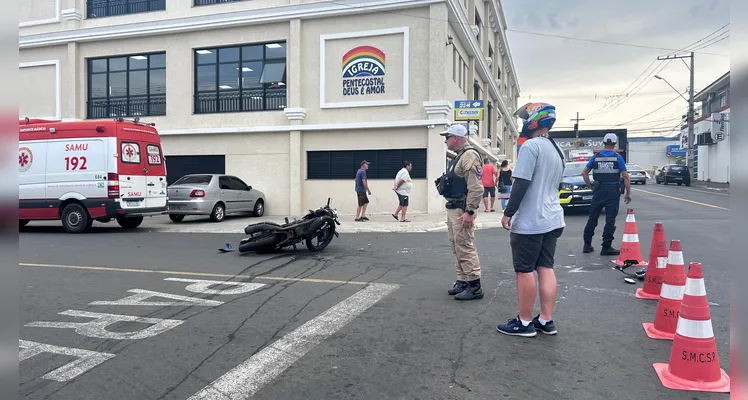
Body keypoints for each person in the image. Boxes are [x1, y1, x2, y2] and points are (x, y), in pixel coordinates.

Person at [497, 102, 566, 337]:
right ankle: (546, 320)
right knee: (545, 267)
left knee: (524, 270)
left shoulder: (530, 147)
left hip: (531, 220)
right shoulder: (556, 150)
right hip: (553, 217)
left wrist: (508, 213)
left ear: (534, 120)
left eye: (525, 118)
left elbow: (522, 182)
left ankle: (525, 322)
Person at [435, 124, 484, 301]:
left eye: (447, 137)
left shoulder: (469, 155)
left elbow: (476, 188)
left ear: (455, 137)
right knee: (456, 245)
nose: (445, 141)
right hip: (454, 207)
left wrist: (470, 211)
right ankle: (462, 280)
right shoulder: (459, 157)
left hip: (462, 209)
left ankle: (474, 285)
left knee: (465, 245)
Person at [581, 133, 632, 255]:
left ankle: (587, 245)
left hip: (598, 190)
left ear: (604, 143)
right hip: (612, 190)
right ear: (614, 144)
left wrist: (590, 186)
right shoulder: (617, 157)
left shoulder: (596, 157)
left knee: (592, 218)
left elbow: (584, 173)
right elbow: (625, 176)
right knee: (610, 219)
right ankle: (606, 246)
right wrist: (628, 193)